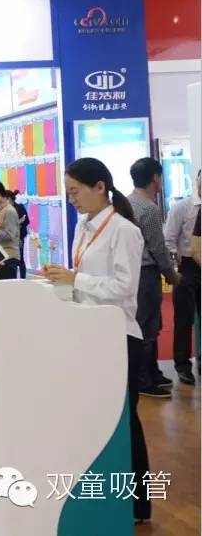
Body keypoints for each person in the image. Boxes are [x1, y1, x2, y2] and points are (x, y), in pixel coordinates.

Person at [40, 158, 151, 523]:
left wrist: (76, 279)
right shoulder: (83, 226)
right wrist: (62, 280)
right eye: (68, 193)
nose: (71, 199)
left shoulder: (124, 230)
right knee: (97, 419)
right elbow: (84, 276)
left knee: (123, 420)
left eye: (75, 192)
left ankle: (138, 503)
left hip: (118, 336)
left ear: (100, 187)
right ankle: (106, 497)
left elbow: (123, 287)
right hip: (89, 333)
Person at [128, 158, 180, 398]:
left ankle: (152, 372)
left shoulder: (127, 202)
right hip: (146, 273)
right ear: (155, 178)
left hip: (133, 272)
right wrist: (171, 274)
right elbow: (157, 248)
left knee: (146, 322)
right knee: (148, 325)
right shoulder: (148, 208)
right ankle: (144, 379)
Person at [164, 170, 201, 385]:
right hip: (186, 267)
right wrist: (174, 267)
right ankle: (182, 365)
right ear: (196, 183)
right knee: (184, 319)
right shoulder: (182, 207)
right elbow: (168, 239)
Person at [5, 190, 30, 278]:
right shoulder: (5, 209)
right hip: (8, 237)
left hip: (19, 237)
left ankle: (23, 278)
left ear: (9, 199)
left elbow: (27, 221)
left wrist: (18, 224)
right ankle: (13, 278)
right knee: (12, 259)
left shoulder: (20, 207)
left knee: (20, 259)